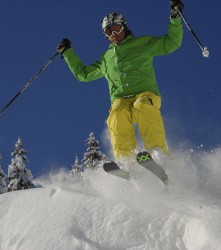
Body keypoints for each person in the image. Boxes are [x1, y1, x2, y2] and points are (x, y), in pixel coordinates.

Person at [57, 0, 184, 164]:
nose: (113, 34)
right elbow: (83, 75)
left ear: (124, 27)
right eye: (108, 31)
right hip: (121, 99)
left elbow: (171, 43)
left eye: (115, 28)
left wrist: (175, 17)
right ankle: (126, 161)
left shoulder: (142, 44)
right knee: (116, 115)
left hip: (145, 94)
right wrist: (68, 53)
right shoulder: (106, 59)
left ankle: (158, 154)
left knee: (143, 107)